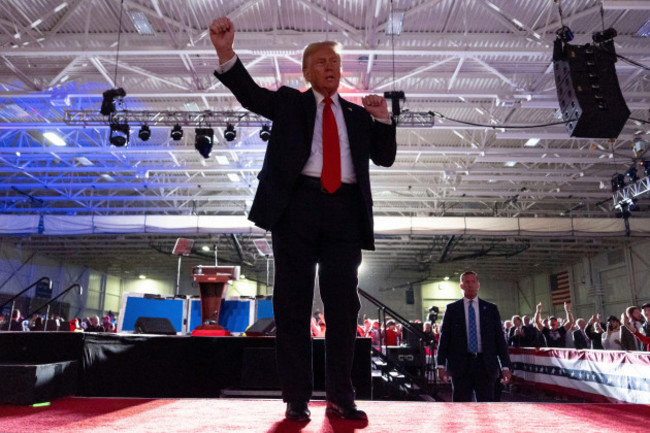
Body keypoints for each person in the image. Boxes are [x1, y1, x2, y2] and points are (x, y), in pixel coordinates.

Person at [209, 16, 396, 422]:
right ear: (308, 72)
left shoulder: (357, 114)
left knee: (343, 307)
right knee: (292, 303)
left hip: (345, 213)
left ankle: (341, 397)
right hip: (295, 209)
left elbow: (384, 156)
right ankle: (296, 398)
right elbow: (250, 95)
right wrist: (226, 52)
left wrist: (383, 118)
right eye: (323, 62)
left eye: (336, 62)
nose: (331, 67)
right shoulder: (290, 102)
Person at [436, 271, 512, 402]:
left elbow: (499, 339)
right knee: (461, 406)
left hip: (485, 366)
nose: (470, 285)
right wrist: (441, 365)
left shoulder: (490, 309)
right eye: (466, 282)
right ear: (461, 286)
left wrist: (505, 366)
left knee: (487, 405)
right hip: (460, 366)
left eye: (473, 282)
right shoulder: (452, 309)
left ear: (478, 285)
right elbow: (444, 339)